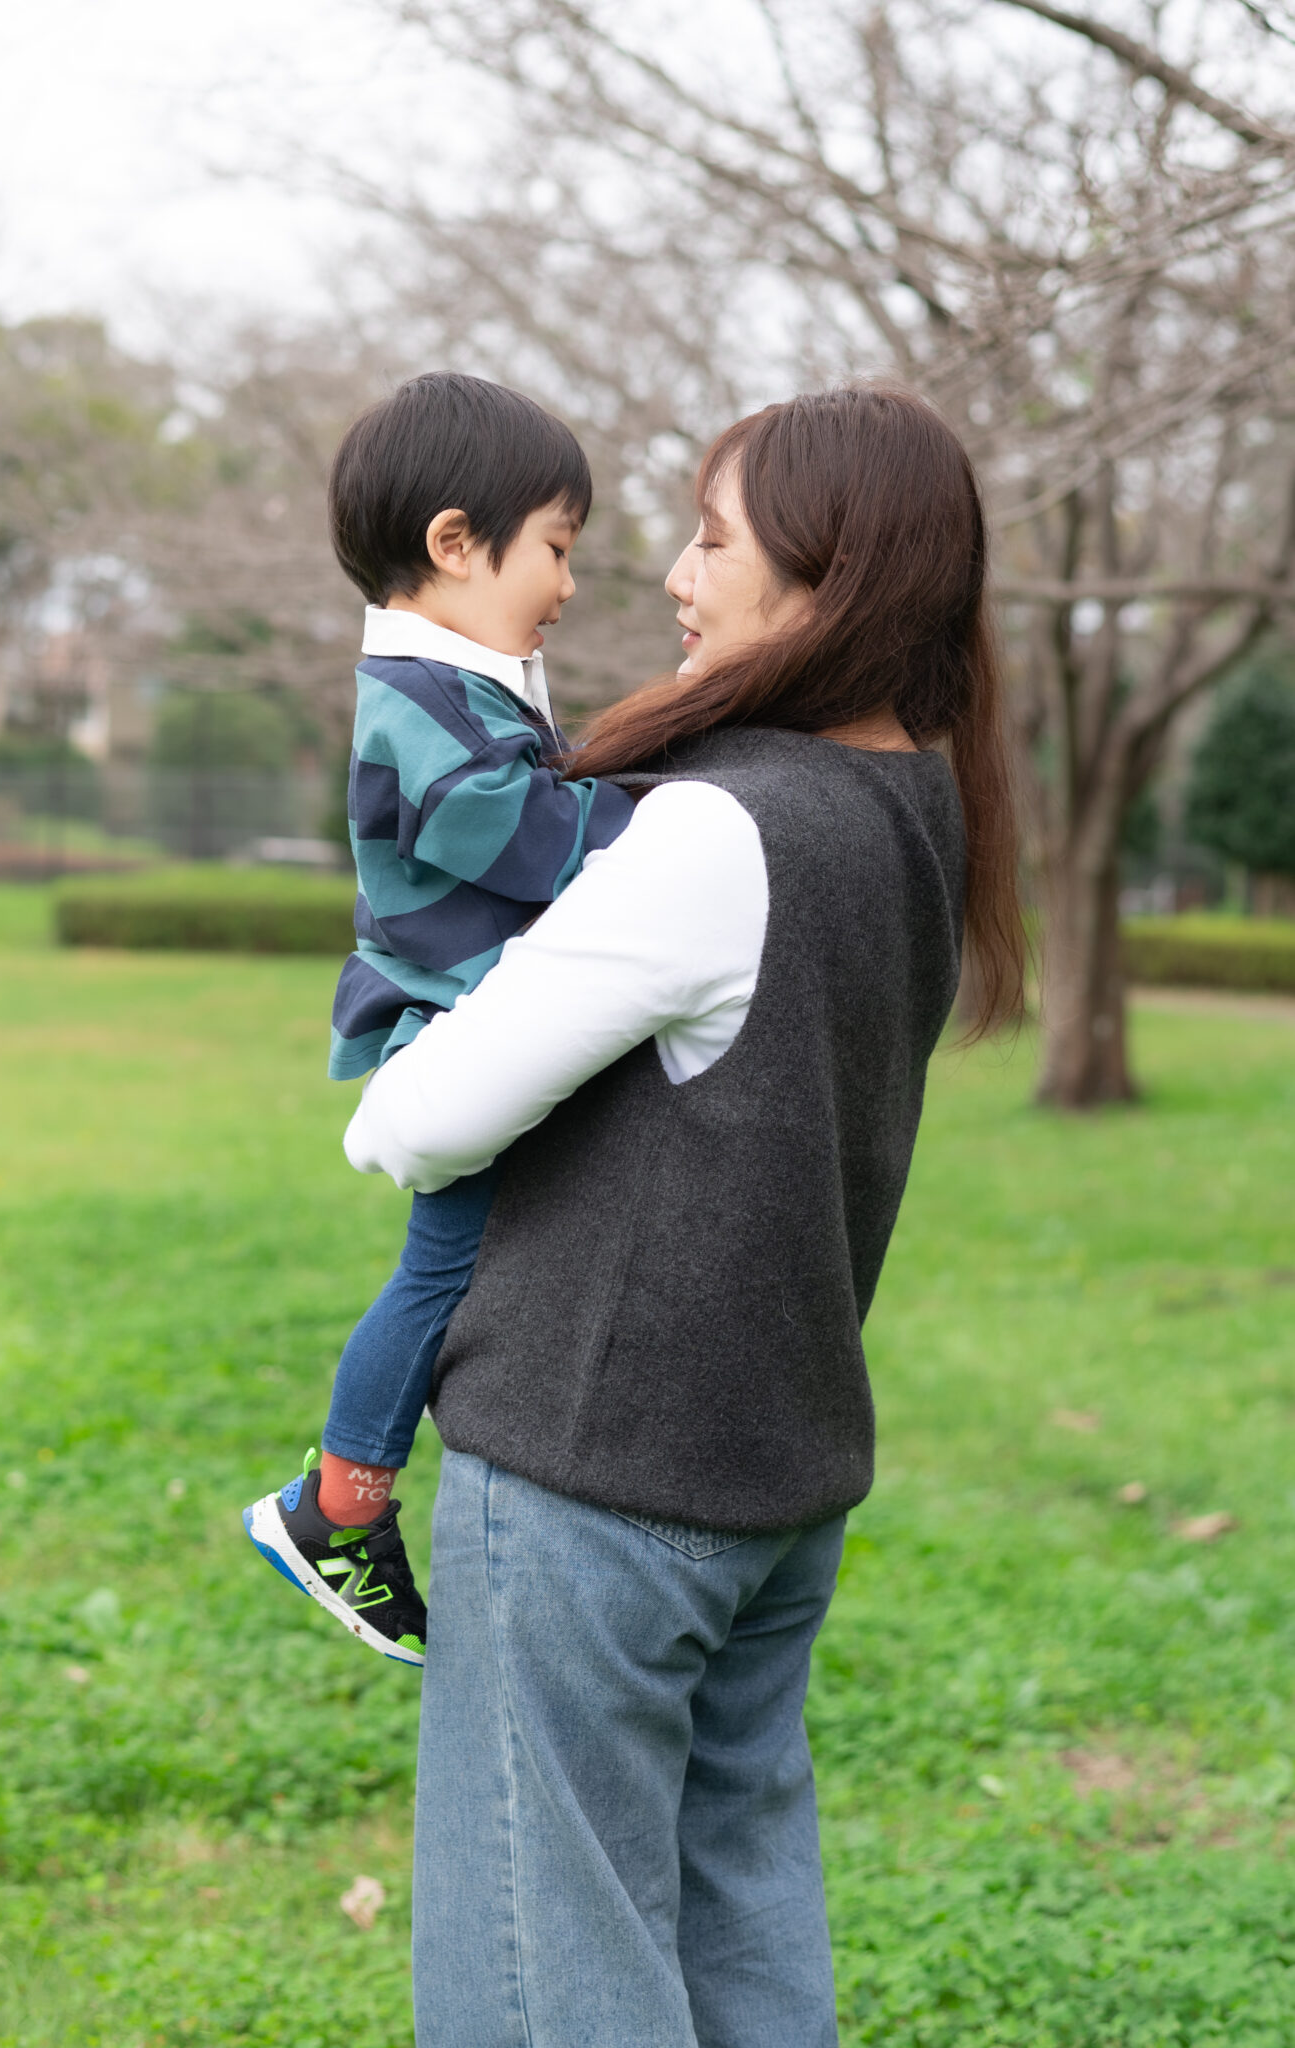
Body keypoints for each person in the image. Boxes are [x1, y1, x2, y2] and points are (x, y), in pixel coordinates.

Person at [344, 388, 1025, 2048]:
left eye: (714, 536)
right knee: (736, 1939)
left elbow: (412, 1125)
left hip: (598, 1478)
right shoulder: (918, 806)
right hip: (772, 1478)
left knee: (542, 1979)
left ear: (832, 574)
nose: (671, 573)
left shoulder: (717, 827)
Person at [243, 372, 635, 1664]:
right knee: (442, 1268)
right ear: (456, 545)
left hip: (478, 1014)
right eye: (557, 548)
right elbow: (512, 832)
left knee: (473, 1264)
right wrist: (664, 811)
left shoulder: (465, 680)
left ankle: (349, 1494)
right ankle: (333, 1507)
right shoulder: (423, 699)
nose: (568, 584)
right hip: (448, 1024)